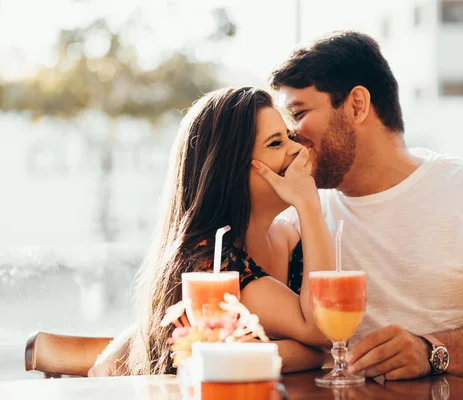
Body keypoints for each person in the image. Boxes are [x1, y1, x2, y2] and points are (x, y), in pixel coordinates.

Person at [269, 31, 463, 399]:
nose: (291, 136)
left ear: (356, 104)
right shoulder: (303, 214)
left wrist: (430, 351)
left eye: (300, 113)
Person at [90, 87, 336, 376]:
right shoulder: (209, 263)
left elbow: (324, 338)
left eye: (289, 138)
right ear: (229, 171)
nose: (298, 150)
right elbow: (321, 331)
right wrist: (309, 206)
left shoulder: (291, 239)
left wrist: (267, 352)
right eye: (275, 143)